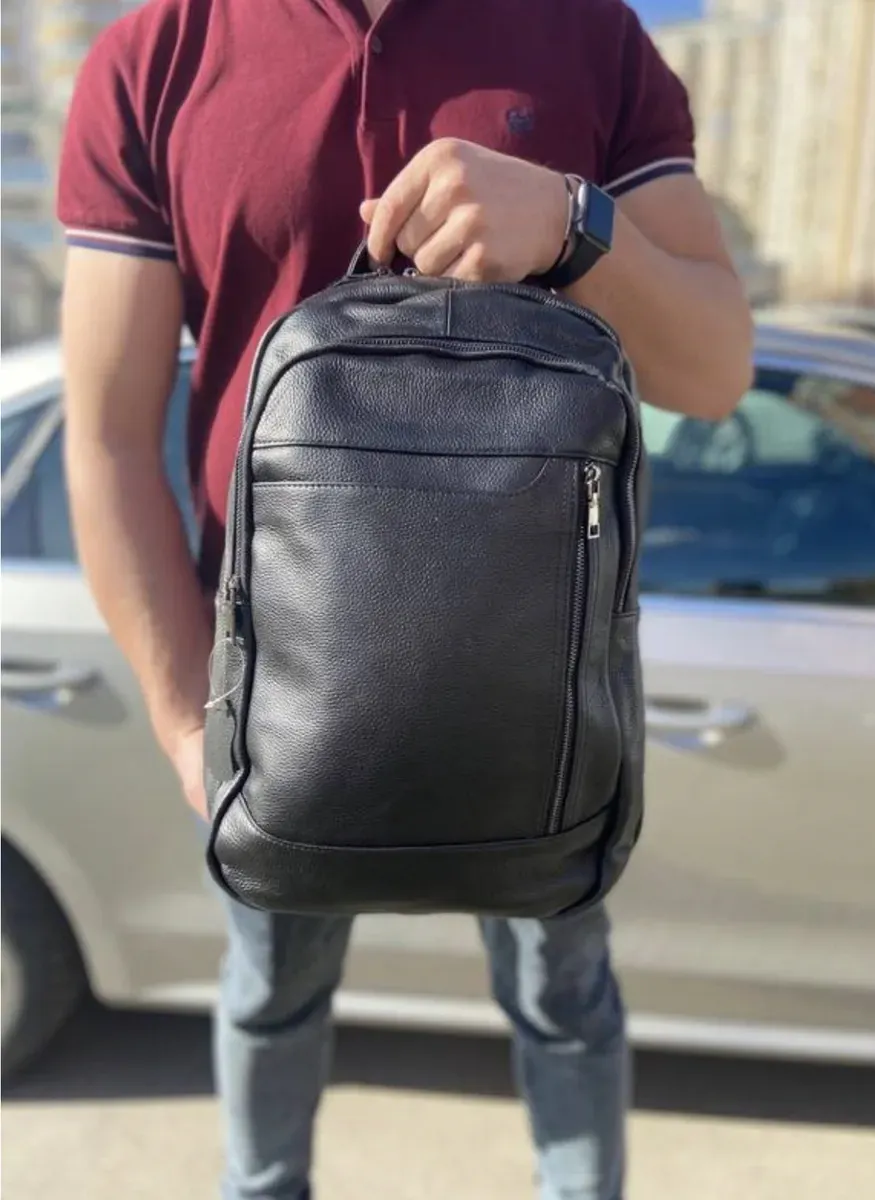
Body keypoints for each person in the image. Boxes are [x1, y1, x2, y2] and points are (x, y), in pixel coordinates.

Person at [57, 1, 752, 1197]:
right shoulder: (155, 54)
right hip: (276, 675)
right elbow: (109, 438)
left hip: (535, 660)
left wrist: (573, 222)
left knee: (562, 998)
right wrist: (183, 723)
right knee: (270, 993)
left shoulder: (585, 33)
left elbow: (714, 368)